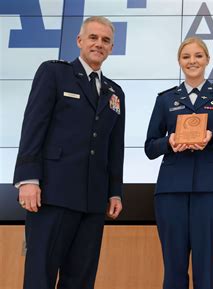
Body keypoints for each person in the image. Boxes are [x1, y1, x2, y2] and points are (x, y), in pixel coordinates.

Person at [13, 16, 125, 289]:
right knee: (40, 275)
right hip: (53, 194)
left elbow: (114, 147)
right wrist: (28, 179)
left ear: (111, 48)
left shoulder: (115, 93)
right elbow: (33, 127)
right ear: (79, 41)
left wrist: (114, 191)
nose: (99, 44)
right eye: (94, 38)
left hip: (93, 201)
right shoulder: (54, 73)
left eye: (106, 40)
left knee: (81, 279)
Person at [144, 36, 213, 289]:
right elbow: (149, 147)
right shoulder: (165, 99)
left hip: (211, 191)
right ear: (179, 61)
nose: (192, 61)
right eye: (186, 56)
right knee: (174, 267)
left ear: (207, 60)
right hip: (171, 191)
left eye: (198, 56)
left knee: (207, 266)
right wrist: (170, 142)